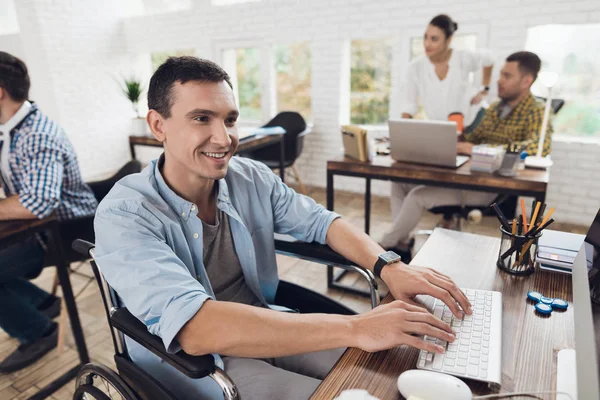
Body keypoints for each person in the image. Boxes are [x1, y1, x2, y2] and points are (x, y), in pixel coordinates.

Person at [94, 56, 472, 400]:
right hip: (196, 362)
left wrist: (390, 267)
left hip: (267, 322)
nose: (224, 138)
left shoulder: (250, 178)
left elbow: (323, 223)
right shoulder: (125, 214)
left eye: (229, 119)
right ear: (158, 124)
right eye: (201, 118)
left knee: (392, 376)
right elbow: (195, 328)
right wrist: (356, 327)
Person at [380, 51, 553, 260]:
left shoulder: (537, 110)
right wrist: (442, 140)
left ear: (526, 81)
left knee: (417, 196)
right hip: (463, 177)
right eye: (500, 74)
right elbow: (471, 137)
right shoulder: (496, 108)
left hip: (486, 187)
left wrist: (479, 150)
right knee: (399, 182)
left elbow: (537, 148)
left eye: (507, 76)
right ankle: (402, 244)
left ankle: (381, 248)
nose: (498, 80)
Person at [0, 52, 98, 373]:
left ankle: (39, 332)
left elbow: (36, 203)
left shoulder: (36, 134)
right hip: (39, 230)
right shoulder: (10, 131)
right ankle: (41, 303)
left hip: (68, 232)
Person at [401, 14, 494, 125]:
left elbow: (489, 58)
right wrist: (401, 130)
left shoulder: (463, 58)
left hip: (472, 123)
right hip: (442, 128)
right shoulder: (415, 67)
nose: (427, 44)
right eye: (425, 37)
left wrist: (484, 89)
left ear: (449, 40)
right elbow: (409, 105)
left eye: (434, 39)